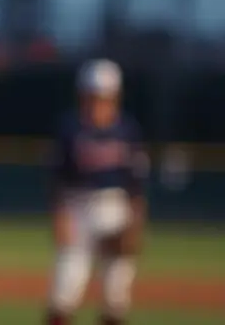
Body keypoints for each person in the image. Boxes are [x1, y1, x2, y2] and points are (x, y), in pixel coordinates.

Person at [44, 58, 148, 325]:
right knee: (65, 288)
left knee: (116, 293)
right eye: (92, 96)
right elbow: (58, 179)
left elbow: (136, 185)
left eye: (103, 96)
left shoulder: (127, 130)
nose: (97, 102)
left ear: (115, 96)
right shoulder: (70, 129)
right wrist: (60, 216)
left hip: (116, 208)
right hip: (77, 206)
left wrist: (135, 224)